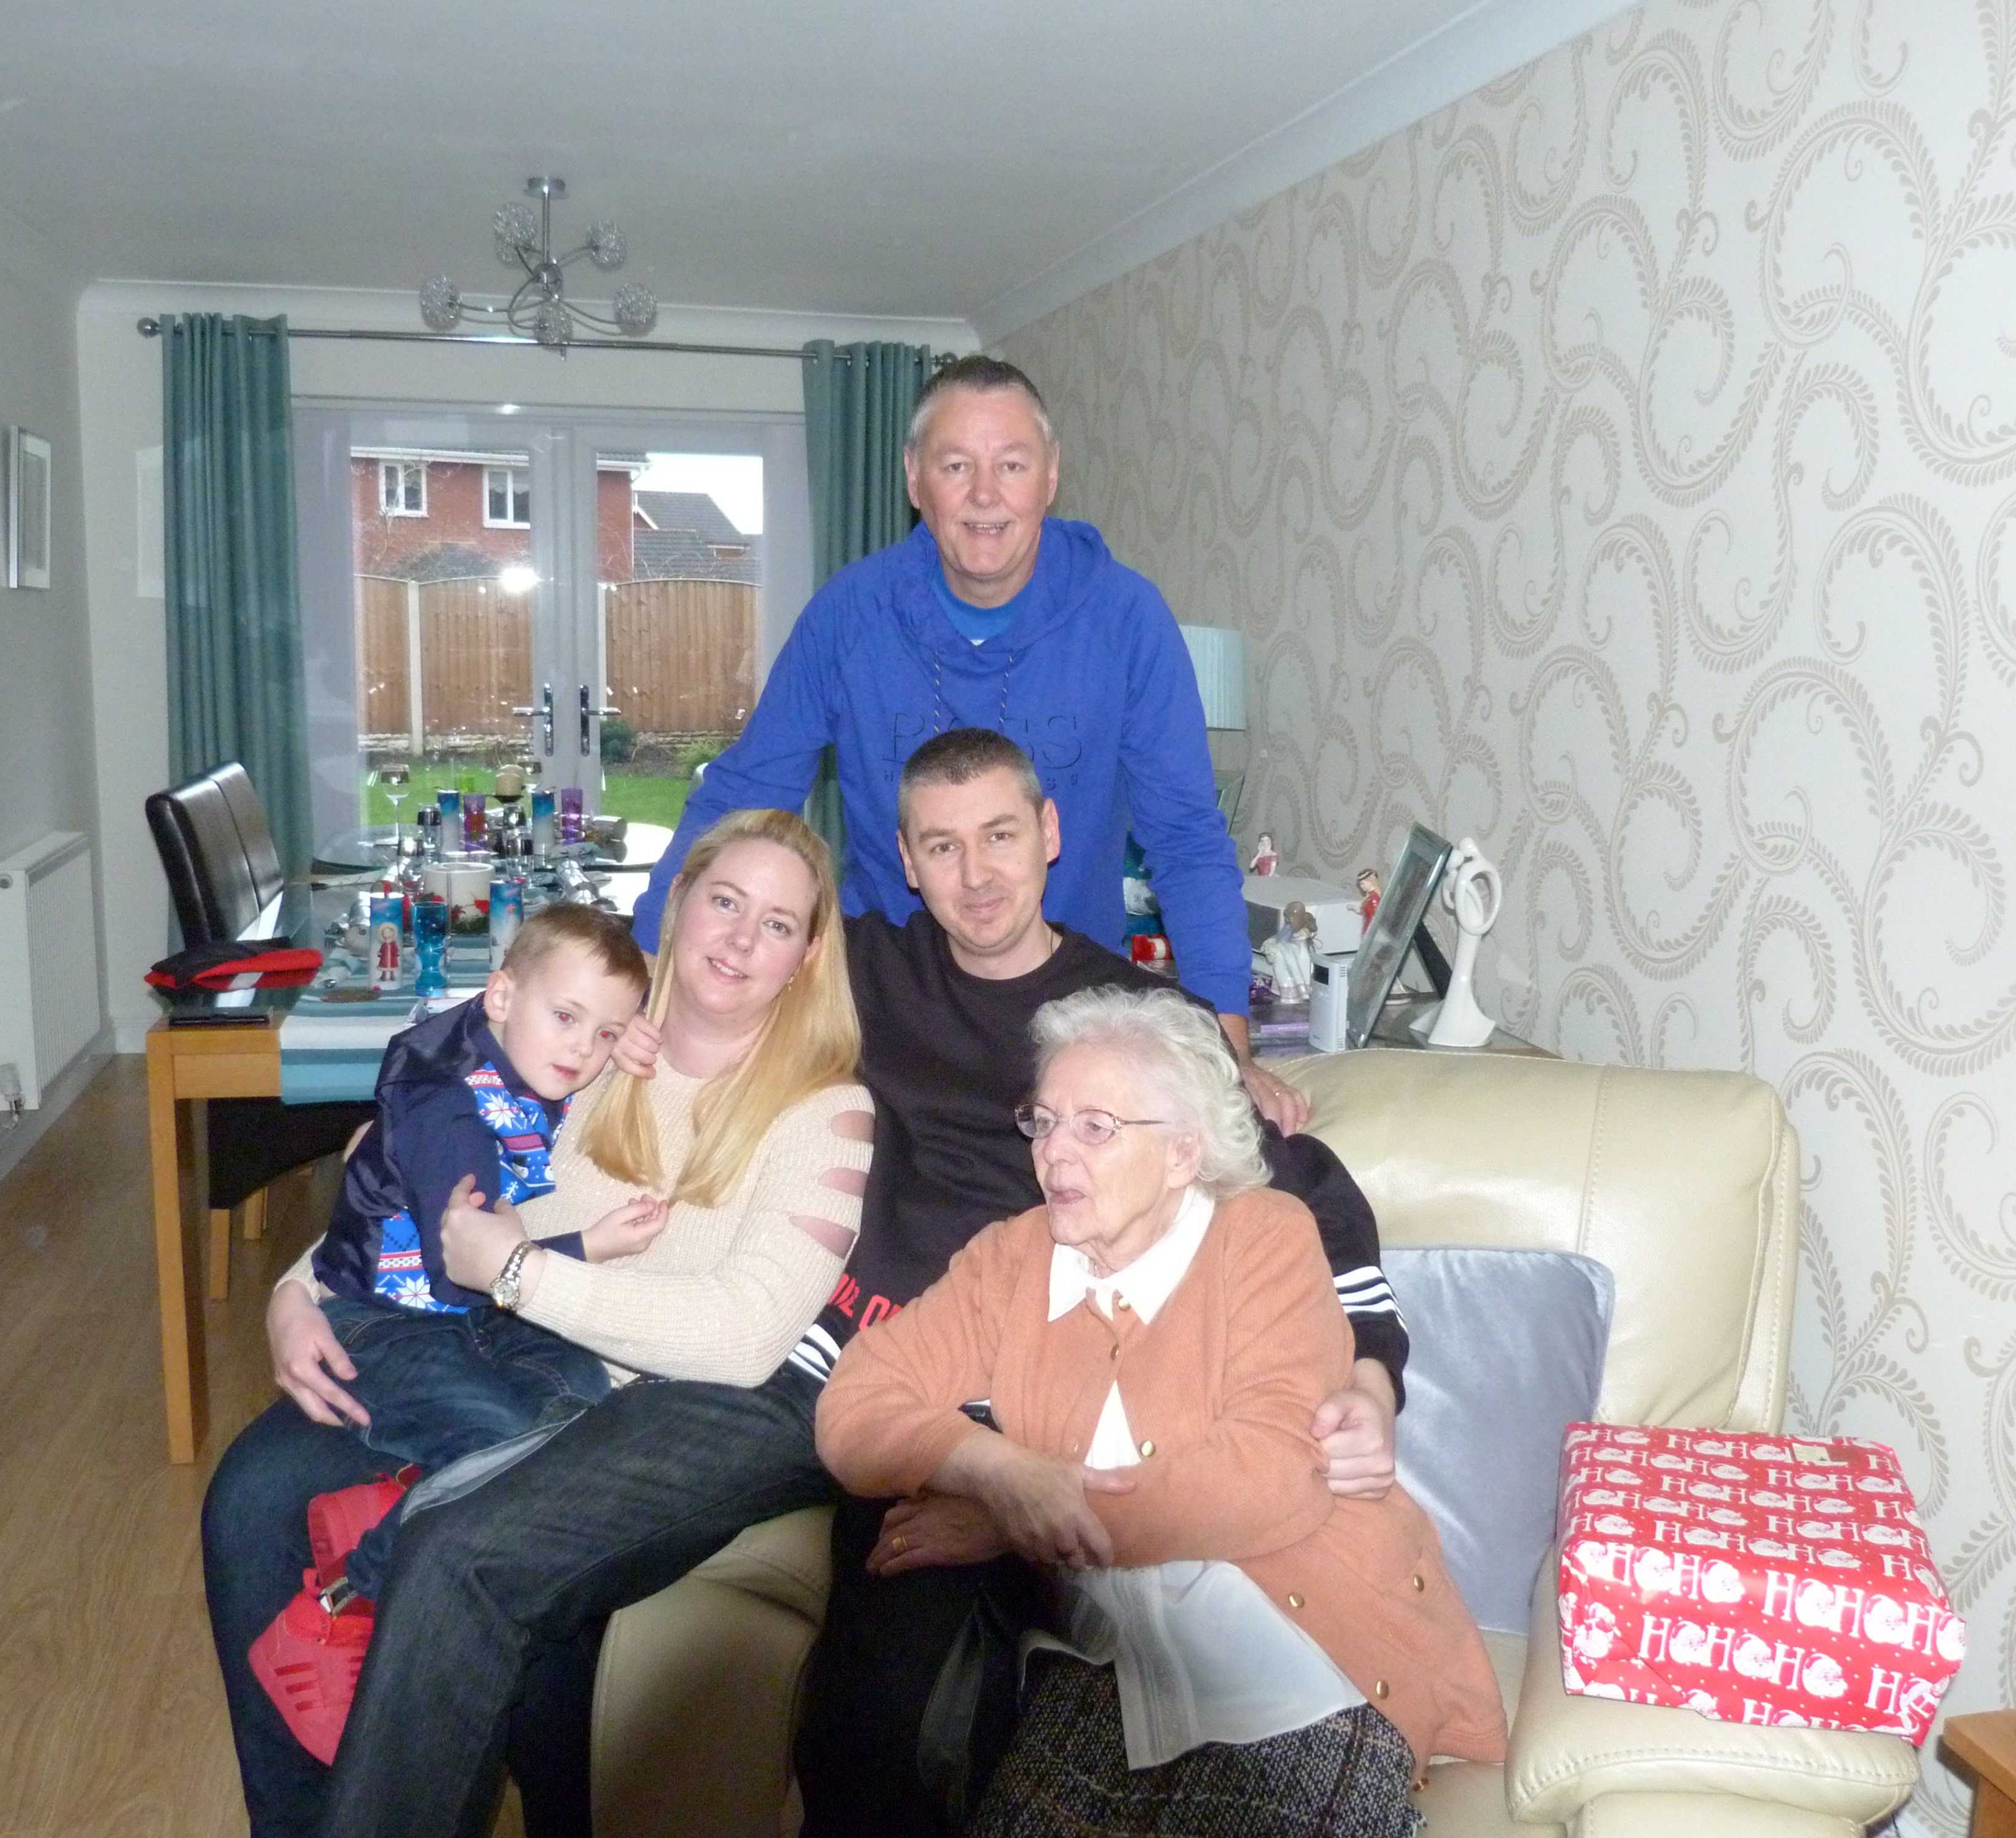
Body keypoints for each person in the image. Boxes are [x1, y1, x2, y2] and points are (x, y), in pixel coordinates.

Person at [307, 733, 1404, 1838]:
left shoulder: (1133, 1017)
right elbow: (579, 1011)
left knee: (872, 1728)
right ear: (907, 861)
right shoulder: (855, 968)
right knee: (468, 1554)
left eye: (1000, 836)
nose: (976, 874)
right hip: (795, 1375)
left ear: (1050, 834)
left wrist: (1370, 1371)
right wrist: (318, 1267)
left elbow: (1298, 1188)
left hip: (973, 1412)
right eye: (941, 845)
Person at [202, 808, 874, 1837]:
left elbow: (746, 1334)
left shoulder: (826, 1114)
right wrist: (295, 1291)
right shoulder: (590, 1043)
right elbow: (414, 1179)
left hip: (617, 1406)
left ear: (808, 955)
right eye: (726, 901)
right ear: (677, 904)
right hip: (462, 1341)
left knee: (468, 1558)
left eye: (778, 924)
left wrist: (521, 1273)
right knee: (249, 1495)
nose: (742, 939)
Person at [817, 986, 1505, 1837]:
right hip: (1110, 1659)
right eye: (1044, 1122)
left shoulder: (1265, 1238)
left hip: (1301, 1643)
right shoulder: (1015, 1258)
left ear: (1183, 1154)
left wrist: (1025, 1520)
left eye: (1096, 1127)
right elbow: (855, 1402)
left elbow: (1267, 1476)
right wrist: (995, 1471)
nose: (1054, 1153)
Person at [630, 353, 1309, 1132]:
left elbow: (1186, 838)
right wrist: (647, 976)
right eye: (956, 466)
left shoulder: (1126, 620)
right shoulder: (849, 617)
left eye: (1011, 465)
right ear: (914, 480)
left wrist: (1230, 1054)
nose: (985, 495)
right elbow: (741, 799)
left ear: (1050, 476)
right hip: (887, 1007)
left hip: (1070, 1011)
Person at [244, 904, 655, 1763]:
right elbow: (464, 1266)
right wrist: (590, 1246)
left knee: (582, 1414)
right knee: (501, 1439)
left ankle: (402, 1505)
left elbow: (562, 1026)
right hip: (385, 1318)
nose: (582, 1050)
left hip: (469, 1315)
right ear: (501, 996)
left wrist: (618, 1044)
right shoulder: (449, 1111)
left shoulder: (520, 1046)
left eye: (606, 1034)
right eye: (566, 1018)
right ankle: (348, 1596)